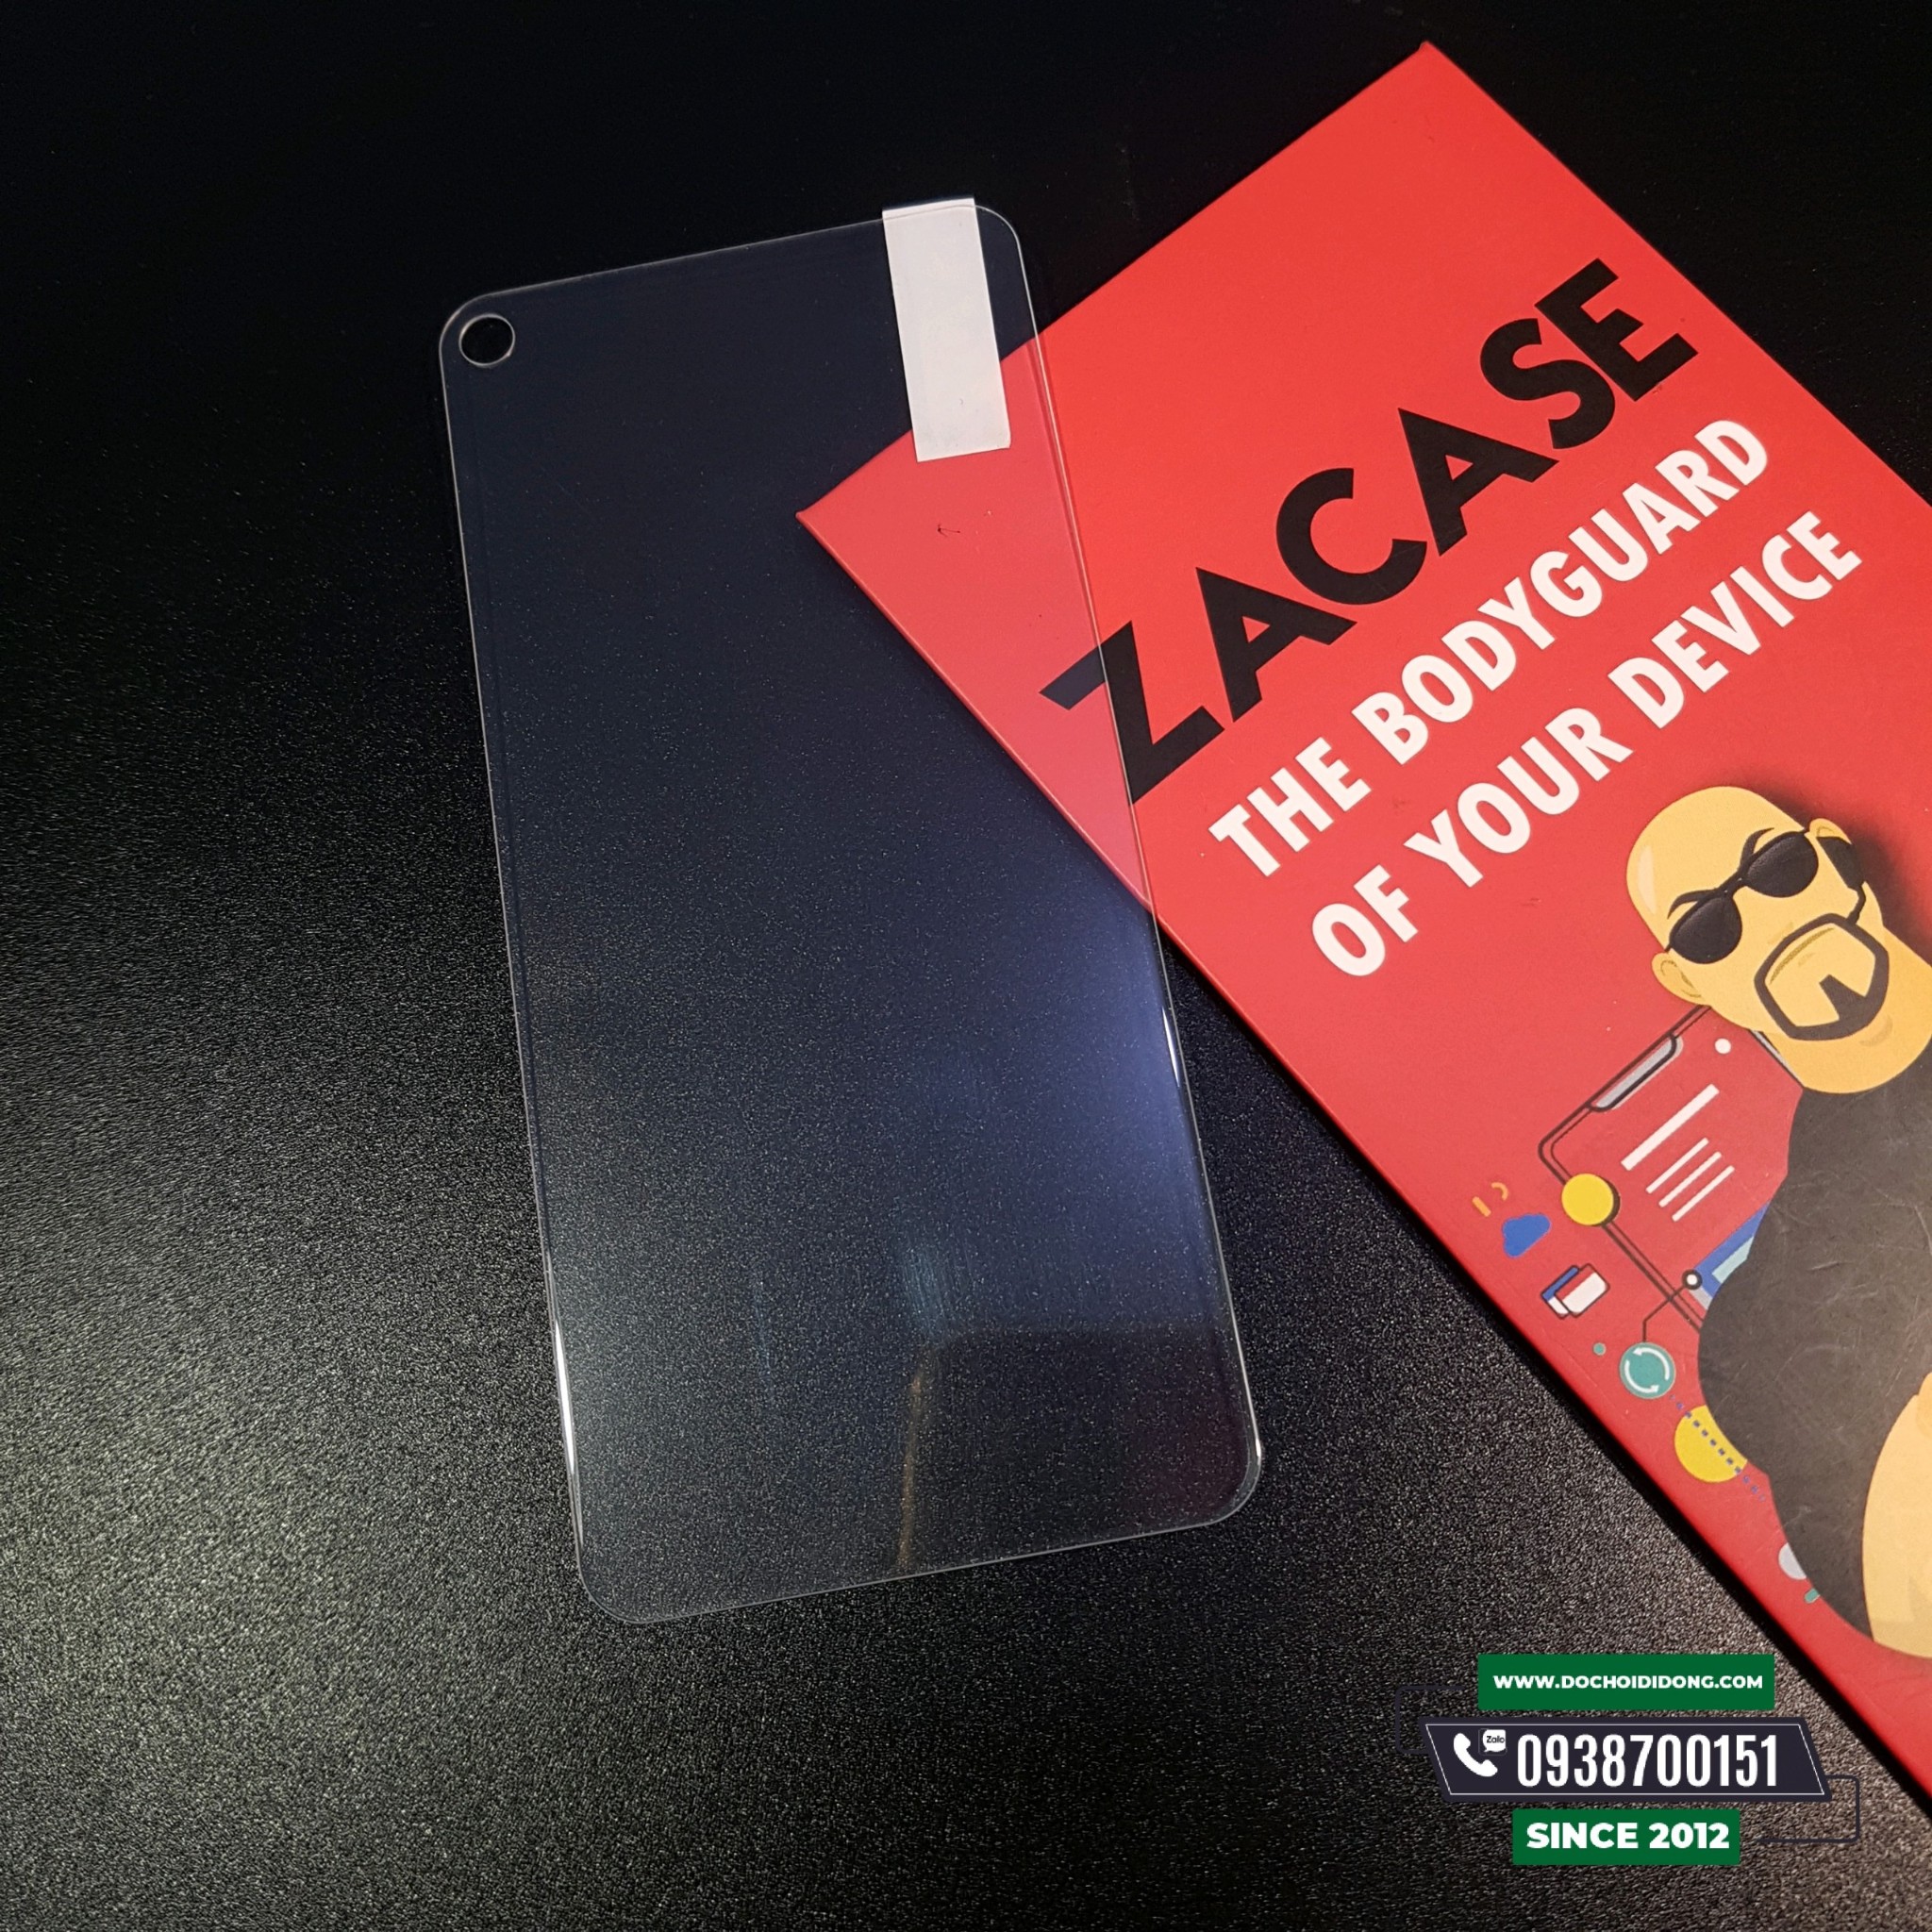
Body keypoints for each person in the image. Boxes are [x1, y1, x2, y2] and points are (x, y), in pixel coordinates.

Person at [1626, 786, 1932, 1653]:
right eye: (1709, 927)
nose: (1766, 918)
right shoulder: (1821, 1226)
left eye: (1779, 867)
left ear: (1834, 856)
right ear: (1688, 980)